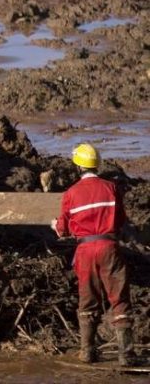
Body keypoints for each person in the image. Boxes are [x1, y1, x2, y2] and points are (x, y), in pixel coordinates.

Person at [53, 144, 137, 367]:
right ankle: (126, 354)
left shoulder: (71, 193)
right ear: (97, 164)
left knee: (87, 298)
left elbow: (63, 229)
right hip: (109, 247)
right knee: (119, 298)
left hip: (85, 250)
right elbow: (120, 220)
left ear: (78, 166)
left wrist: (56, 226)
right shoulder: (111, 188)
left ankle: (87, 352)